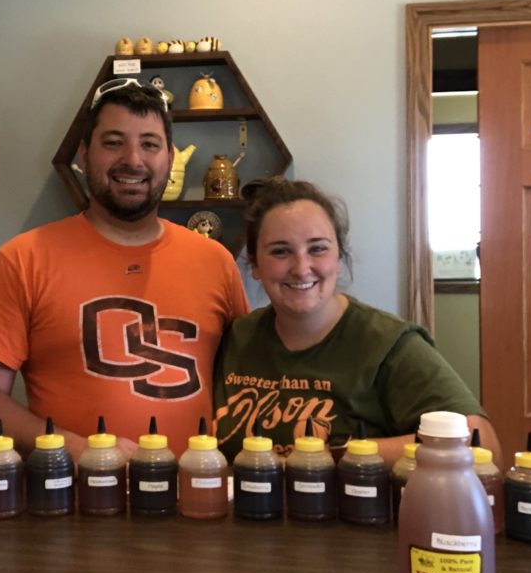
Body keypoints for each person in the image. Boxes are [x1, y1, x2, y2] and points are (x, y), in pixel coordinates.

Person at [0, 78, 249, 459]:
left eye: (150, 144)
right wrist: (75, 451)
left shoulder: (216, 262)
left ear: (170, 160)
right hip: (73, 502)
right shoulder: (23, 260)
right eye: (113, 142)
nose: (133, 160)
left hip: (197, 498)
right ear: (83, 155)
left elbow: (247, 385)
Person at [213, 177, 501, 466]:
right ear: (254, 264)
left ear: (339, 257)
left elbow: (481, 445)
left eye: (317, 249)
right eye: (280, 251)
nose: (301, 268)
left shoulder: (389, 344)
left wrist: (337, 454)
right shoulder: (237, 337)